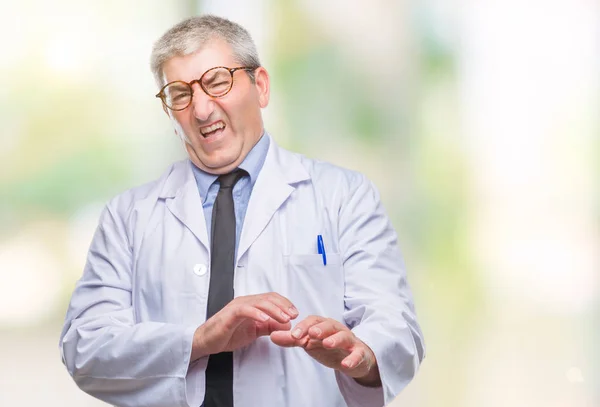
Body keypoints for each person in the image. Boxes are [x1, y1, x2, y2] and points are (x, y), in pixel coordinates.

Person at [59, 14, 425, 407]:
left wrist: (360, 355)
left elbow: (396, 328)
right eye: (180, 94)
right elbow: (85, 348)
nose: (200, 109)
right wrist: (199, 340)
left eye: (217, 81)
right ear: (168, 111)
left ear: (260, 86)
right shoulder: (128, 217)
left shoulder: (344, 196)